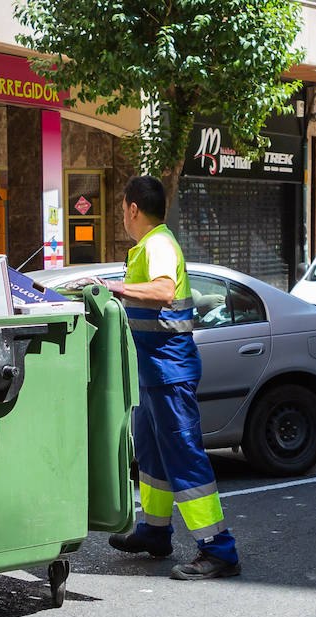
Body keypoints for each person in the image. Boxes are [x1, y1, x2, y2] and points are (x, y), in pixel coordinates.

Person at [89, 175, 241, 580]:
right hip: (154, 372)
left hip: (169, 371)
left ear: (132, 208)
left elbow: (163, 290)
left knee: (185, 457)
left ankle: (219, 549)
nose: (122, 214)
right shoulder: (150, 245)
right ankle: (154, 532)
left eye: (122, 207)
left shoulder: (157, 244)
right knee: (153, 458)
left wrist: (114, 289)